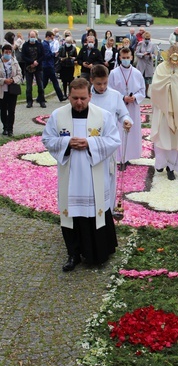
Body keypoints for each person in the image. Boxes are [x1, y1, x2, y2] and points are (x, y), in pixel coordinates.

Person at [42, 77, 121, 272]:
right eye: (75, 98)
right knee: (71, 214)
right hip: (70, 176)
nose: (79, 102)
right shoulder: (57, 115)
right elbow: (47, 139)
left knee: (95, 212)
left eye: (83, 98)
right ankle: (73, 254)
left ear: (90, 96)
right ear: (68, 96)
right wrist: (66, 143)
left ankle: (98, 253)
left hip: (94, 174)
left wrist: (90, 143)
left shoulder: (102, 116)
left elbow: (114, 139)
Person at [90, 64, 133, 209]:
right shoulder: (86, 97)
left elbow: (123, 113)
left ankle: (109, 208)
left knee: (109, 176)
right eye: (98, 83)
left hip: (109, 145)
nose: (102, 87)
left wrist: (127, 121)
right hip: (91, 144)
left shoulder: (115, 95)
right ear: (91, 81)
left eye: (105, 83)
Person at [151, 45, 178, 181]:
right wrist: (169, 83)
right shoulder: (161, 67)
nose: (174, 56)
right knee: (164, 139)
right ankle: (160, 163)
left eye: (177, 53)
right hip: (164, 111)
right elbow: (155, 86)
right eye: (172, 53)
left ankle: (171, 167)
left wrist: (174, 82)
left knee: (175, 141)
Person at [108, 47, 145, 170]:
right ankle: (120, 158)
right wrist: (123, 97)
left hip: (133, 108)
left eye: (128, 57)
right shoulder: (114, 73)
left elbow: (142, 91)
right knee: (120, 131)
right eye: (123, 58)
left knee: (131, 132)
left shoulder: (137, 73)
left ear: (132, 57)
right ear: (119, 58)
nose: (126, 60)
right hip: (119, 107)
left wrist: (135, 97)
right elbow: (110, 90)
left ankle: (128, 156)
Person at [0, 43, 22, 137]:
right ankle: (5, 127)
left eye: (9, 52)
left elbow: (20, 75)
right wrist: (4, 80)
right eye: (6, 52)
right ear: (2, 52)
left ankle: (10, 129)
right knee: (3, 110)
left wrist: (13, 80)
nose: (8, 54)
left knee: (11, 110)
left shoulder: (14, 62)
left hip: (12, 90)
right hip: (2, 90)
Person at [21, 30, 45, 108]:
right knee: (29, 87)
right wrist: (31, 62)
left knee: (40, 85)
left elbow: (43, 55)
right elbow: (23, 56)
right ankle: (29, 101)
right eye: (31, 37)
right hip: (29, 67)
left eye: (34, 37)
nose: (32, 38)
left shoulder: (39, 45)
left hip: (38, 67)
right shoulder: (25, 45)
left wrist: (37, 62)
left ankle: (41, 100)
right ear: (28, 37)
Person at [42, 31, 65, 102]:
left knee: (44, 82)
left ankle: (40, 97)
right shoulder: (45, 45)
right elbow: (46, 55)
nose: (52, 39)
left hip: (47, 65)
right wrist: (54, 54)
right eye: (52, 37)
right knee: (55, 81)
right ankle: (61, 97)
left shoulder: (46, 44)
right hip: (48, 65)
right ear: (48, 36)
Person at [135, 31, 156, 98]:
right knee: (140, 79)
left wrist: (150, 55)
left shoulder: (152, 45)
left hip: (148, 64)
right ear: (143, 38)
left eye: (148, 38)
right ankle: (139, 92)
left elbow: (155, 55)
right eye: (146, 38)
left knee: (147, 80)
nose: (147, 40)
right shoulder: (140, 44)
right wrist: (142, 54)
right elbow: (136, 53)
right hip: (141, 63)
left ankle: (146, 93)